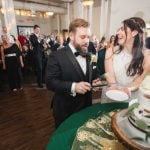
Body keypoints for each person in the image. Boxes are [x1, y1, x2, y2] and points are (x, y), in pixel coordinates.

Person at [46, 18, 101, 128]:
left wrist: (96, 81)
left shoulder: (91, 56)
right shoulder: (56, 56)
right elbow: (50, 82)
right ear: (71, 36)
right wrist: (73, 87)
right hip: (65, 110)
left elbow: (95, 74)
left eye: (88, 37)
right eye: (82, 37)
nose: (87, 41)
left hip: (86, 108)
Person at [101, 17, 149, 103]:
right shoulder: (111, 51)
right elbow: (110, 74)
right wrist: (114, 86)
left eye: (122, 29)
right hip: (113, 93)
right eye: (119, 29)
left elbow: (140, 79)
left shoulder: (147, 55)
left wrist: (128, 89)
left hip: (131, 97)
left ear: (134, 33)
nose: (118, 33)